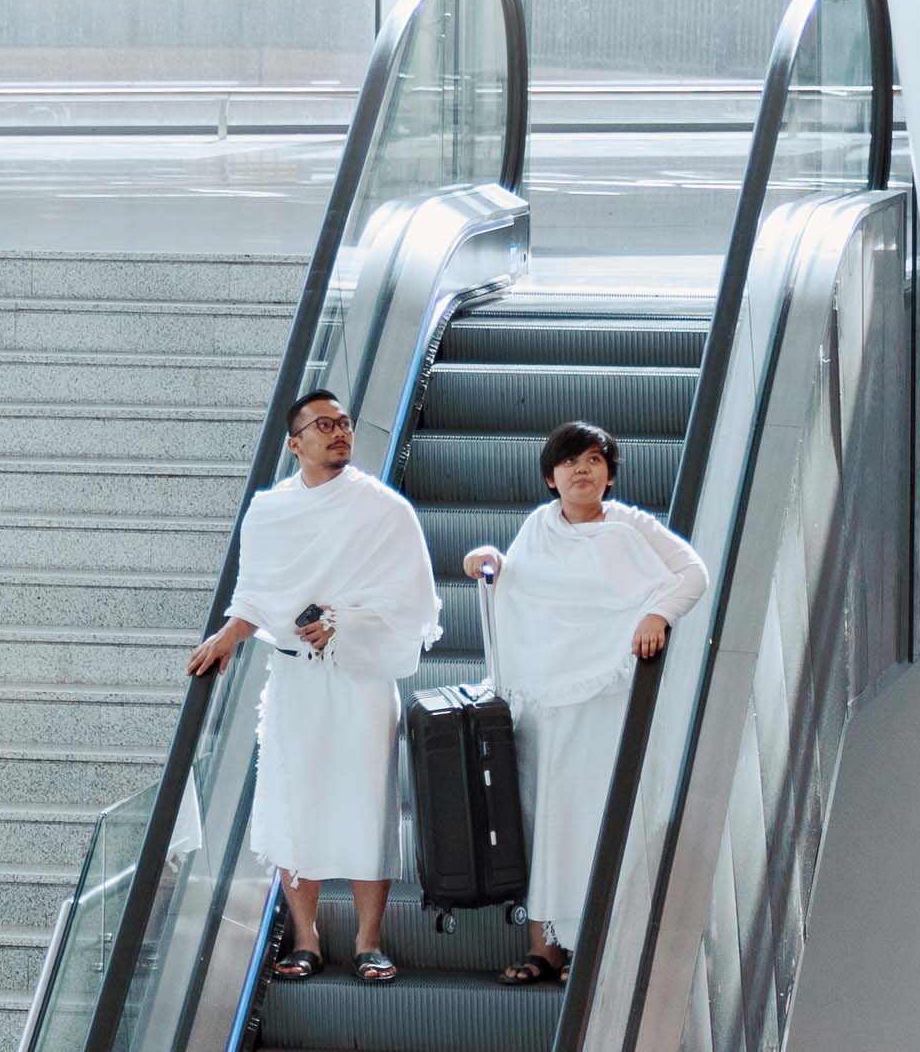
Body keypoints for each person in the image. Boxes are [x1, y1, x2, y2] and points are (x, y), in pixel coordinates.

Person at [188, 388, 442, 983]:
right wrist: (229, 634)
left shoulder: (383, 509)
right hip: (294, 676)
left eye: (345, 423)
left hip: (361, 674)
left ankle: (368, 939)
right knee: (292, 798)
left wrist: (346, 620)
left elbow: (414, 599)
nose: (339, 433)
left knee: (367, 799)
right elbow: (255, 591)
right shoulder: (270, 509)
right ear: (294, 441)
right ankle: (306, 937)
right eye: (323, 425)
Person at [460, 418, 708, 984]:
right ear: (551, 476)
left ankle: (594, 947)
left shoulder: (630, 526)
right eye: (571, 461)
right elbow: (514, 585)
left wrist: (656, 613)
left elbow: (692, 573)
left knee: (597, 814)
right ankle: (543, 944)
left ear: (609, 474)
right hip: (547, 701)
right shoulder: (538, 527)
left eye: (594, 460)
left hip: (609, 697)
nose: (582, 469)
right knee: (544, 813)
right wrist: (487, 560)